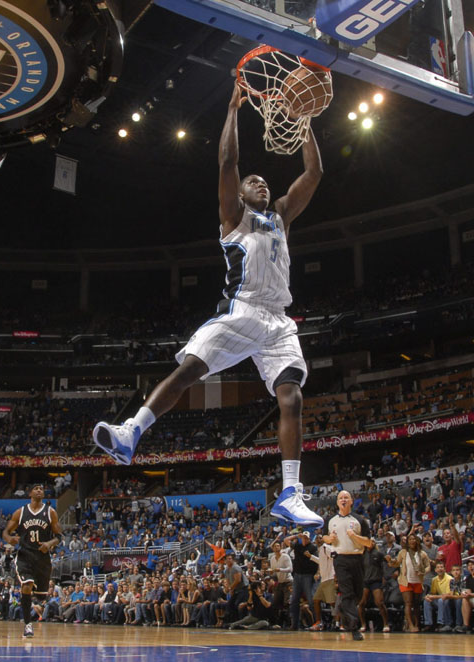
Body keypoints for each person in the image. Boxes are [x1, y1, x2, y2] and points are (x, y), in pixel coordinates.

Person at [92, 79, 325, 529]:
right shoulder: (233, 218)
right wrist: (234, 111)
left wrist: (306, 120)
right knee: (187, 372)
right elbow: (227, 160)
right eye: (252, 182)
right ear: (239, 194)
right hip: (240, 311)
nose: (260, 184)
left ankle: (291, 492)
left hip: (277, 321)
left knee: (292, 398)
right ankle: (130, 433)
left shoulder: (280, 218)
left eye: (264, 182)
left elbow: (313, 175)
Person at [3, 483, 62, 638]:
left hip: (42, 558)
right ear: (30, 493)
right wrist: (10, 539)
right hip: (24, 555)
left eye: (41, 489)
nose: (39, 490)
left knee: (41, 596)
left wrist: (49, 544)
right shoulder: (20, 512)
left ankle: (38, 614)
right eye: (36, 488)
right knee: (26, 586)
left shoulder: (50, 512)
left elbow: (59, 536)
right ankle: (28, 625)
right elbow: (5, 531)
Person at [322, 490, 373, 641]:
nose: (343, 500)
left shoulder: (360, 520)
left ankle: (345, 611)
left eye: (346, 497)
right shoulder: (331, 520)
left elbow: (369, 543)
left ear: (351, 501)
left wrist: (354, 536)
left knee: (357, 594)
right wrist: (329, 538)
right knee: (347, 592)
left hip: (357, 559)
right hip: (340, 559)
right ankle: (354, 627)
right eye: (340, 498)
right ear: (337, 502)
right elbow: (325, 537)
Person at [389, 533, 430, 633]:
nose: (412, 541)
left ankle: (417, 624)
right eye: (410, 539)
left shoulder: (422, 553)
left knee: (416, 604)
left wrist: (423, 572)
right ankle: (410, 625)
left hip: (417, 581)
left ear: (417, 541)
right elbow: (396, 563)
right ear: (407, 542)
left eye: (414, 539)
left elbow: (428, 566)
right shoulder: (403, 552)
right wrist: (390, 561)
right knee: (408, 603)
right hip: (405, 581)